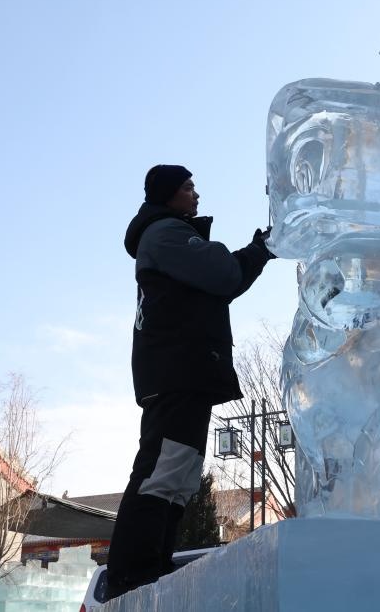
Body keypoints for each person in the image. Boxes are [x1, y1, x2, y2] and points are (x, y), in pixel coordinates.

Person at [106, 164, 274, 599]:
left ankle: (153, 570)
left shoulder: (170, 234)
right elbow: (223, 274)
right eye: (187, 187)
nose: (195, 194)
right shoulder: (165, 233)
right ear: (167, 195)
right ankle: (131, 579)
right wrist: (259, 250)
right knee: (162, 472)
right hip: (176, 371)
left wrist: (258, 251)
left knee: (178, 478)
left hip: (185, 372)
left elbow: (224, 279)